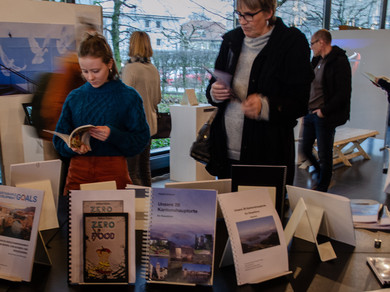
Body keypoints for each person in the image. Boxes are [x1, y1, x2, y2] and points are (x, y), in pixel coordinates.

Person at [205, 0, 314, 185]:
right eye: (239, 14)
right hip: (226, 150)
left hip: (267, 154)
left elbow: (301, 102)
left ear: (268, 12)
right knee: (227, 211)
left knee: (262, 212)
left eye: (249, 14)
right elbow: (216, 83)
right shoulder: (231, 41)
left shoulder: (291, 43)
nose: (243, 21)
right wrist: (215, 92)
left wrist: (265, 106)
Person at [53, 32, 150, 195]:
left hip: (113, 172)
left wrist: (113, 135)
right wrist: (72, 147)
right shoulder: (75, 97)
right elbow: (58, 140)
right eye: (84, 71)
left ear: (110, 64)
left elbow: (141, 140)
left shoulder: (129, 97)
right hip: (78, 172)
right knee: (76, 220)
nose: (90, 77)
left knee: (116, 219)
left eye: (96, 70)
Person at [301, 29, 352, 192]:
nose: (311, 47)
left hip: (324, 115)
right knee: (305, 149)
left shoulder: (339, 61)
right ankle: (320, 175)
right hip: (310, 113)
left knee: (324, 154)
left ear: (321, 42)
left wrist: (324, 111)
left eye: (312, 44)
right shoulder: (316, 61)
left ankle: (322, 187)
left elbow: (343, 92)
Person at [121, 31, 161, 187]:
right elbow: (157, 99)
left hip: (132, 127)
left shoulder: (130, 69)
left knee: (131, 171)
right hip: (149, 126)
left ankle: (138, 207)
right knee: (145, 169)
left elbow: (124, 99)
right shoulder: (153, 69)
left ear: (132, 45)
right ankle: (148, 204)